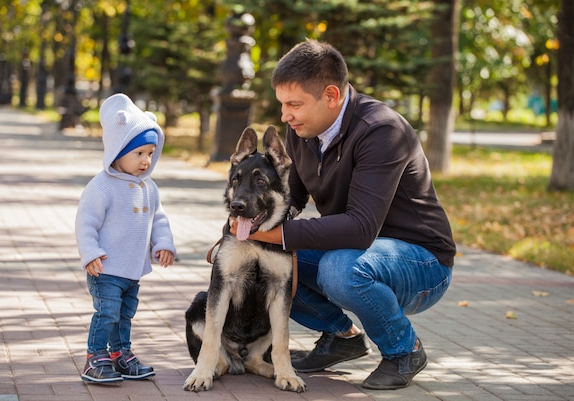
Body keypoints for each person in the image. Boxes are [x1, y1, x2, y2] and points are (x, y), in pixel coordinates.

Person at [229, 40, 455, 390]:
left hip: (422, 262)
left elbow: (361, 227)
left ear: (331, 96)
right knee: (261, 260)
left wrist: (277, 235)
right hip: (357, 249)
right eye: (283, 105)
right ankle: (341, 337)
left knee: (340, 270)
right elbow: (294, 198)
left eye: (295, 104)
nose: (286, 115)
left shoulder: (382, 131)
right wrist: (250, 225)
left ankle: (403, 350)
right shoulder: (303, 130)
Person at [75, 93, 176, 384]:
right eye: (139, 153)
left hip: (132, 269)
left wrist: (164, 244)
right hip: (105, 268)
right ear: (118, 150)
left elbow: (158, 218)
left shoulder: (149, 188)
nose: (146, 160)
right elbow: (86, 223)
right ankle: (95, 358)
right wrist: (90, 252)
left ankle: (120, 355)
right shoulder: (101, 187)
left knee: (125, 314)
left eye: (150, 153)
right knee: (107, 313)